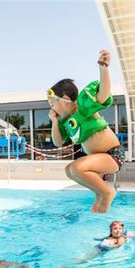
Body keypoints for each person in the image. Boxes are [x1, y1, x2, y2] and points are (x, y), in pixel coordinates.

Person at [48, 50, 124, 213]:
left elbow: (103, 95)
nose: (51, 107)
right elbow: (58, 142)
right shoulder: (67, 122)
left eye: (52, 103)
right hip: (99, 159)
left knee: (76, 168)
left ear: (66, 99)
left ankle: (107, 192)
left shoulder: (83, 106)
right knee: (69, 170)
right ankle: (100, 193)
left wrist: (104, 68)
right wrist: (55, 122)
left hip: (113, 154)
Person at [62, 221, 135, 268]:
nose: (118, 231)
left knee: (85, 257)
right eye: (115, 229)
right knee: (84, 260)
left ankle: (67, 264)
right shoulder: (111, 239)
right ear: (111, 231)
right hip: (97, 251)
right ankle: (65, 266)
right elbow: (108, 242)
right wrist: (100, 241)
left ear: (122, 230)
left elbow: (118, 244)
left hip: (99, 248)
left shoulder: (121, 237)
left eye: (120, 229)